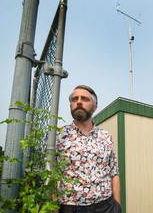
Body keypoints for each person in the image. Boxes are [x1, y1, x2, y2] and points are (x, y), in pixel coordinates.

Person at [56, 85, 121, 213]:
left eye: (84, 99)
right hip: (71, 208)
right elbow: (51, 175)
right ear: (70, 106)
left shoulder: (106, 136)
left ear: (95, 107)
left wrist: (117, 206)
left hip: (106, 206)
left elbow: (114, 172)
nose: (78, 101)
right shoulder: (59, 135)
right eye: (74, 99)